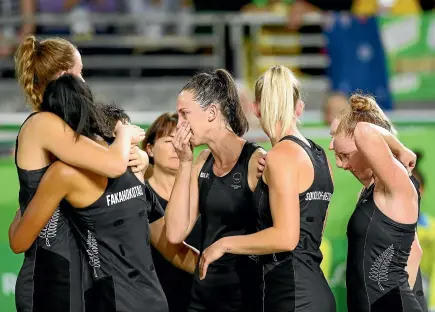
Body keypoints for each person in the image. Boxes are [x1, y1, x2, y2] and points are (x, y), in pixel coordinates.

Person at [9, 95, 198, 311]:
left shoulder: (73, 176)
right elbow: (168, 245)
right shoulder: (134, 179)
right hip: (148, 300)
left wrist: (26, 204)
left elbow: (17, 240)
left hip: (111, 300)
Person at [12, 35, 146, 312]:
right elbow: (113, 164)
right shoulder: (44, 124)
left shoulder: (59, 126)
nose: (84, 81)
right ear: (64, 76)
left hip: (76, 274)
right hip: (50, 281)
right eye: (80, 72)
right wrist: (124, 135)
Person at [199, 65, 336, 311]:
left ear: (256, 108)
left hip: (290, 294)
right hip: (316, 289)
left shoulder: (280, 157)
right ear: (299, 107)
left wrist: (224, 243)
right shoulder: (319, 155)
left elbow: (286, 238)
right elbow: (313, 230)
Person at [165, 69, 265, 312]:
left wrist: (225, 245)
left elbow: (280, 234)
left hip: (247, 296)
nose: (179, 125)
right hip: (203, 296)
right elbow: (175, 233)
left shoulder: (256, 161)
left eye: (184, 114)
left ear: (211, 112)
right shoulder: (200, 162)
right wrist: (184, 163)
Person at [328, 106, 427, 311]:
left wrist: (399, 149)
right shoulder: (369, 192)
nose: (340, 163)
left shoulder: (395, 182)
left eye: (345, 155)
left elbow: (363, 130)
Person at [142, 112, 201, 312]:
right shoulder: (138, 196)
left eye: (183, 140)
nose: (177, 147)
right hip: (157, 302)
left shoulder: (204, 194)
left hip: (201, 301)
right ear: (149, 149)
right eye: (169, 141)